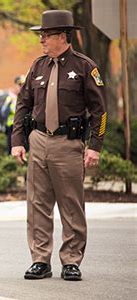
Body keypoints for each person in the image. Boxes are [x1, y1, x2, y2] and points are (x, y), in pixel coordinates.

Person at [11, 10, 106, 281]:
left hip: (68, 143)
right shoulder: (37, 67)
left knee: (71, 204)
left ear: (62, 36)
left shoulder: (85, 67)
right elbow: (23, 106)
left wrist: (94, 146)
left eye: (46, 35)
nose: (41, 40)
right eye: (41, 35)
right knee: (37, 204)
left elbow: (100, 111)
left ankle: (71, 261)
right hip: (39, 141)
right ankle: (40, 260)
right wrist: (18, 141)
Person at [1, 75, 25, 154]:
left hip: (23, 128)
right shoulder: (10, 98)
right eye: (19, 85)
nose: (21, 87)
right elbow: (4, 112)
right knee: (11, 150)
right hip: (11, 128)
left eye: (23, 85)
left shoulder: (26, 97)